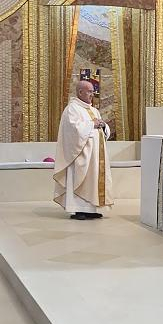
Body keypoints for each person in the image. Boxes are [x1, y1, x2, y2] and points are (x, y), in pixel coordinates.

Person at [53, 81, 113, 220]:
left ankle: (91, 209)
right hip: (81, 153)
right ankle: (78, 209)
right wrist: (92, 124)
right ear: (80, 92)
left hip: (96, 154)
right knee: (80, 179)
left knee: (93, 180)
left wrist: (103, 126)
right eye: (90, 91)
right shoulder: (72, 109)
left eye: (93, 91)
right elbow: (73, 129)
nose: (92, 94)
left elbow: (101, 129)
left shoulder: (93, 110)